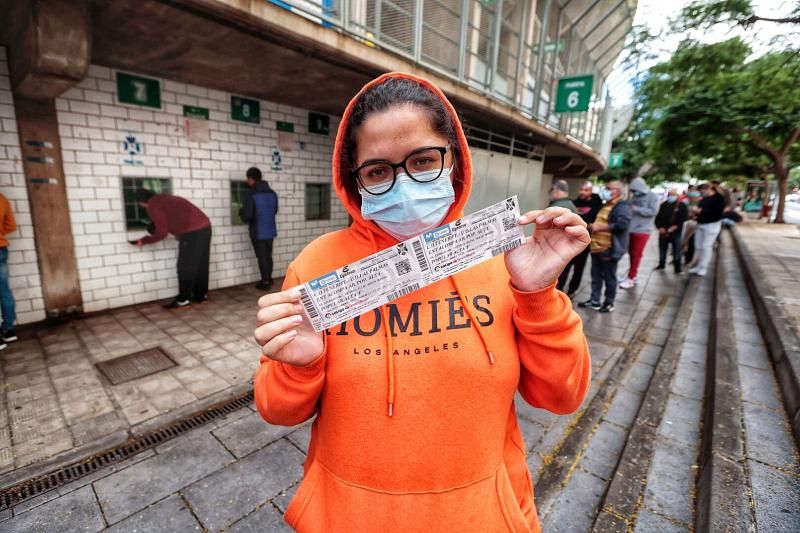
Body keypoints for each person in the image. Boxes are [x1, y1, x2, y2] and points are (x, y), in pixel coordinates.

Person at [251, 73, 591, 532]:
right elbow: (276, 409)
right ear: (355, 180)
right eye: (377, 171)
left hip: (482, 518)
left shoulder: (502, 260)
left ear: (454, 159)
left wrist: (537, 296)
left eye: (424, 160)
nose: (404, 185)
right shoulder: (317, 265)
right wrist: (299, 367)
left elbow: (563, 396)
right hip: (349, 519)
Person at [134, 190, 212, 308]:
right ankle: (201, 295)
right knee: (201, 263)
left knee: (185, 266)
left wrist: (144, 240)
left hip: (192, 231)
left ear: (141, 202)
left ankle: (183, 300)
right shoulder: (166, 198)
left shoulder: (153, 206)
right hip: (205, 226)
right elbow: (177, 218)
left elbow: (162, 232)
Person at [579, 180, 631, 313]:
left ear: (617, 191)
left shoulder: (622, 206)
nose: (605, 190)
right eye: (605, 188)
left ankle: (609, 302)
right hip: (596, 247)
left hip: (608, 248)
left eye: (609, 188)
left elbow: (622, 225)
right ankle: (594, 301)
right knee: (595, 277)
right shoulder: (606, 204)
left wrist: (600, 227)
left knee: (609, 277)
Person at [558, 180, 603, 297]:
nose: (583, 192)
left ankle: (572, 291)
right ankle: (559, 290)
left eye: (586, 190)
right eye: (581, 189)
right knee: (564, 267)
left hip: (585, 243)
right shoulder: (574, 203)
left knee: (578, 269)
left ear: (591, 191)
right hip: (570, 240)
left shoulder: (597, 205)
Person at [240, 167, 279, 291]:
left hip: (258, 232)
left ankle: (265, 281)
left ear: (251, 179)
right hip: (270, 231)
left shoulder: (252, 194)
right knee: (268, 256)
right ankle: (269, 278)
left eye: (248, 179)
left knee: (262, 257)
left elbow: (247, 216)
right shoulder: (272, 193)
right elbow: (275, 210)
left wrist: (241, 211)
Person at [620, 177, 658, 289]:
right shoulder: (635, 196)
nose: (634, 192)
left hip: (643, 230)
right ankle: (632, 275)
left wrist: (636, 209)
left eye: (635, 190)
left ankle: (631, 278)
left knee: (636, 254)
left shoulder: (652, 196)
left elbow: (653, 212)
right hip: (631, 229)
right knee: (631, 253)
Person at [688, 183, 725, 277]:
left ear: (710, 189)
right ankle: (699, 265)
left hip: (712, 225)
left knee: (706, 246)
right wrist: (696, 212)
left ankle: (703, 267)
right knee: (698, 246)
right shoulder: (705, 198)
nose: (702, 193)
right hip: (701, 223)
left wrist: (702, 211)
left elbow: (718, 212)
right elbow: (700, 207)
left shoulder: (719, 198)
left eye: (703, 191)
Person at [654, 188, 688, 273]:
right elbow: (658, 218)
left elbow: (684, 218)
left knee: (676, 249)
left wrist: (676, 226)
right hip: (663, 231)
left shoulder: (682, 205)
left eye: (673, 195)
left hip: (676, 232)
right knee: (662, 248)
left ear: (677, 195)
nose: (671, 196)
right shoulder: (663, 205)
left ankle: (677, 268)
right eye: (669, 194)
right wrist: (660, 227)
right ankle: (661, 264)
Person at [0, 192, 18, 349]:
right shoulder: (2, 199)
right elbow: (11, 225)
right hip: (0, 249)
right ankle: (8, 330)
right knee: (4, 290)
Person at [682, 185, 701, 265]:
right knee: (682, 241)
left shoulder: (700, 204)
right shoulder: (684, 203)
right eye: (692, 197)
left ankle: (688, 259)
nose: (694, 199)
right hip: (685, 224)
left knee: (691, 242)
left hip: (694, 226)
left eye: (695, 198)